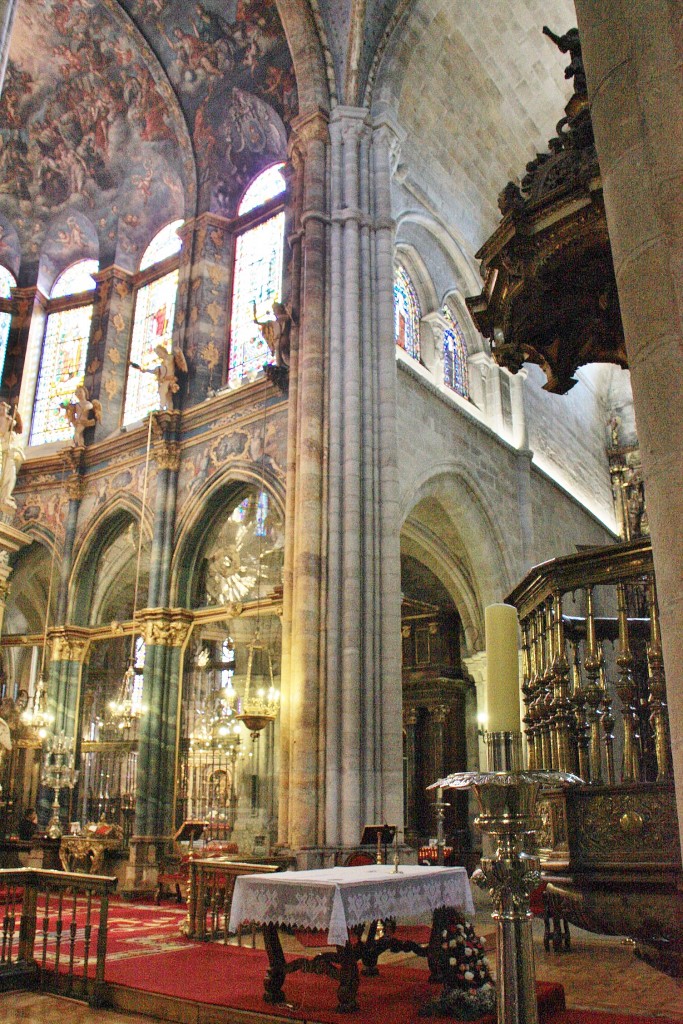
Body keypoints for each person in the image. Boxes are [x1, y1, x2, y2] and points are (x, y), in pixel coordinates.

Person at [131, 344, 188, 410]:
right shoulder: (162, 363)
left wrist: (178, 352)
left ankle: (161, 407)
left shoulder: (170, 357)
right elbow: (156, 370)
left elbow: (179, 361)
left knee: (162, 391)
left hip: (170, 379)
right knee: (168, 397)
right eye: (157, 353)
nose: (158, 354)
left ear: (162, 350)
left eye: (158, 352)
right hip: (165, 380)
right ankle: (169, 409)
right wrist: (146, 370)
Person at [253, 301, 291, 368]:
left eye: (275, 309)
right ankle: (280, 366)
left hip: (284, 337)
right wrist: (255, 314)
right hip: (278, 340)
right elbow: (260, 323)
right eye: (274, 310)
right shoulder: (273, 322)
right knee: (278, 352)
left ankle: (282, 365)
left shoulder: (284, 317)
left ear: (280, 309)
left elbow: (287, 318)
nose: (274, 312)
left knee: (281, 350)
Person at [0, 402, 24, 507]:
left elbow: (20, 429)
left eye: (3, 408)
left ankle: (6, 496)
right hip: (3, 455)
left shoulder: (11, 436)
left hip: (9, 458)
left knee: (9, 476)